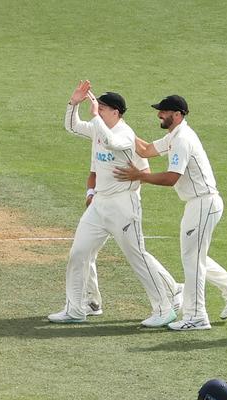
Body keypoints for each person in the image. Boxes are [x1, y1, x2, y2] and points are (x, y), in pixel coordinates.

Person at [49, 82, 180, 327]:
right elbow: (72, 127)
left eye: (103, 107)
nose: (97, 109)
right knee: (78, 253)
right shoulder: (99, 127)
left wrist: (96, 117)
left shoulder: (125, 134)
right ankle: (75, 309)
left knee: (137, 257)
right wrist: (73, 103)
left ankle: (164, 308)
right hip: (99, 205)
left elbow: (111, 142)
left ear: (116, 113)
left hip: (124, 206)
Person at [116, 95, 227, 330]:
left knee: (192, 261)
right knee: (196, 256)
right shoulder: (174, 136)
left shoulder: (182, 140)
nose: (159, 115)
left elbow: (171, 178)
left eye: (164, 111)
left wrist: (140, 176)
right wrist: (120, 127)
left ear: (177, 115)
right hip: (199, 204)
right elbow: (146, 150)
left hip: (202, 204)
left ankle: (196, 316)